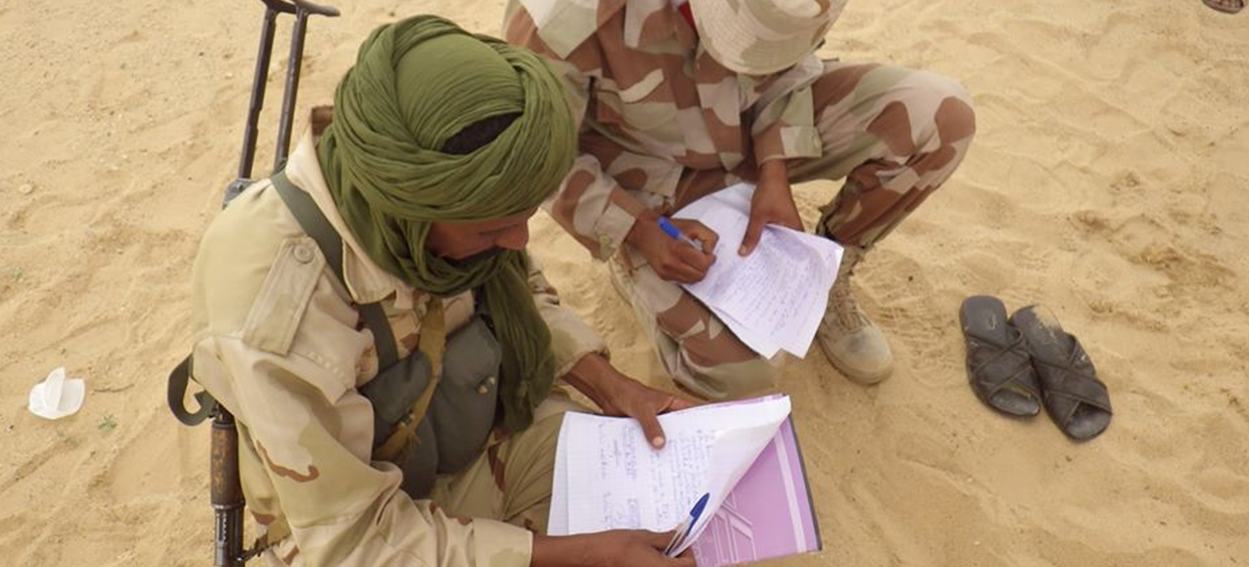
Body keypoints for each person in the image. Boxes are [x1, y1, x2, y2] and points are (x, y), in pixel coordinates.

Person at [188, 15, 695, 567]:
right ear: (412, 211)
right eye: (493, 231)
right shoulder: (275, 313)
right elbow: (354, 543)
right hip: (365, 529)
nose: (519, 241)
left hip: (476, 439)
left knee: (668, 515)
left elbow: (518, 294)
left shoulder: (456, 207)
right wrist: (582, 554)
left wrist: (614, 388)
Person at [505, 0, 977, 397]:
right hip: (649, 188)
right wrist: (639, 230)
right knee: (742, 376)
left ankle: (820, 279)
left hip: (750, 132)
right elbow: (541, 161)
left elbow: (791, 64)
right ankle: (633, 273)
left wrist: (774, 167)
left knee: (941, 116)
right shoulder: (559, 17)